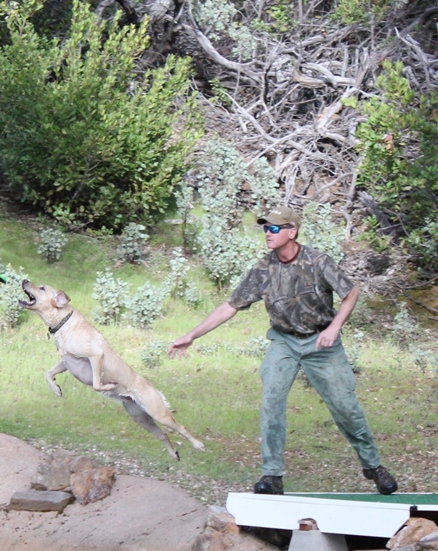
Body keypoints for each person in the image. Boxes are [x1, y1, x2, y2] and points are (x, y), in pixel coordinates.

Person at [168, 207, 398, 496]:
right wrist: (191, 335)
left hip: (321, 343)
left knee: (345, 408)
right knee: (271, 403)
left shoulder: (317, 261)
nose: (268, 233)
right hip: (284, 342)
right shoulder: (264, 268)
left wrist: (334, 328)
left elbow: (350, 292)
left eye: (274, 229)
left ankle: (373, 466)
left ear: (292, 231)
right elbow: (231, 306)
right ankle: (272, 476)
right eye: (265, 228)